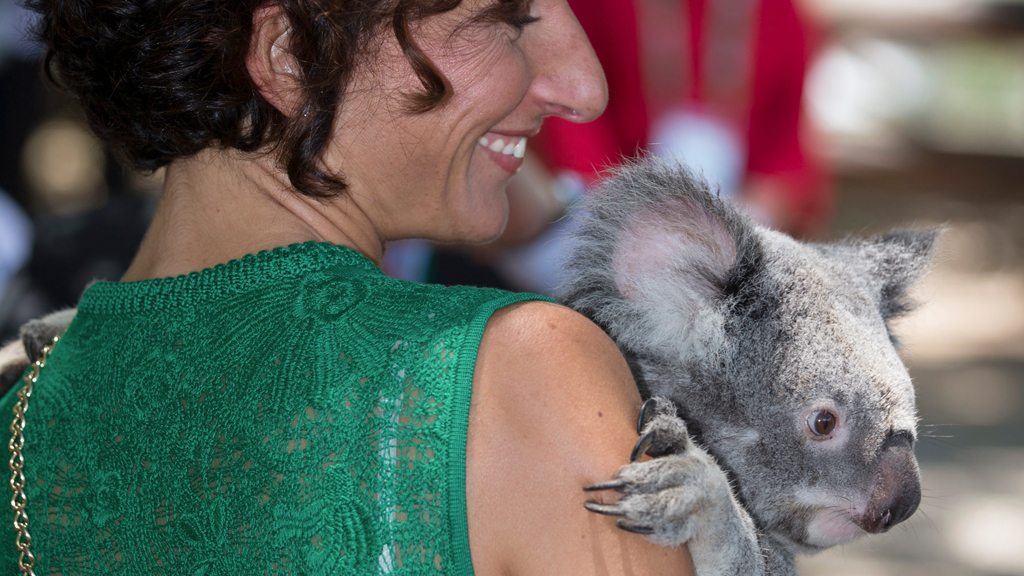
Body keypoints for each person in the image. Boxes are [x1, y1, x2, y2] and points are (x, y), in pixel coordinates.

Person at [0, 0, 696, 573]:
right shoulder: (520, 376)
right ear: (290, 56)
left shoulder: (19, 420)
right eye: (506, 18)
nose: (583, 88)